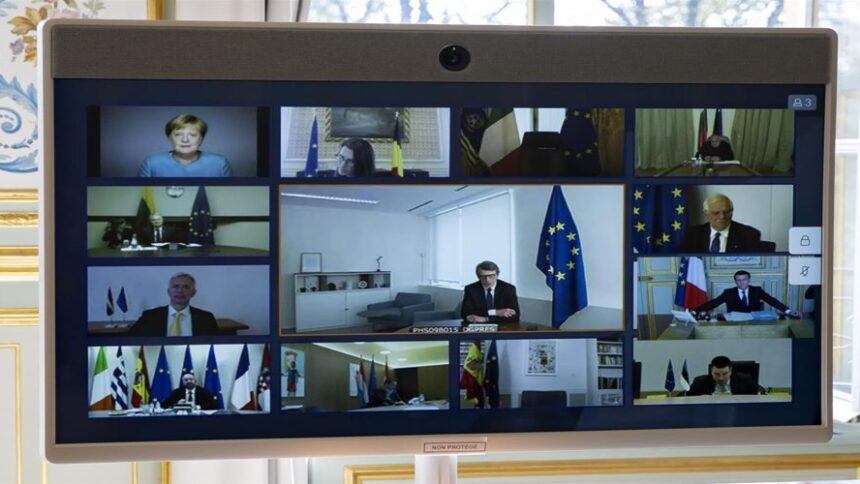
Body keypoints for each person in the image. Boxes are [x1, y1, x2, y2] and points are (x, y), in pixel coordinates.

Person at [138, 114, 233, 177]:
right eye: (178, 134)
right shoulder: (151, 163)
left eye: (192, 135)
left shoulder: (220, 163)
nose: (185, 140)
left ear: (201, 139)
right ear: (170, 138)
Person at [129, 272, 219, 336]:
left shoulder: (206, 318)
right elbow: (130, 340)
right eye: (176, 286)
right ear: (169, 291)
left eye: (186, 287)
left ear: (193, 293)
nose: (180, 290)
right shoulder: (149, 316)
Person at [693, 270, 799, 317]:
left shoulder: (757, 290)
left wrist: (788, 311)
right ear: (735, 281)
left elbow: (772, 301)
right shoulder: (728, 293)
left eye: (744, 279)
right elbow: (713, 303)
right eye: (738, 280)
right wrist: (695, 311)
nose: (742, 282)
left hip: (754, 322)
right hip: (734, 323)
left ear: (749, 280)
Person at [678, 193, 762, 253]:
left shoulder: (749, 234)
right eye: (716, 213)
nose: (722, 216)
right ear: (706, 214)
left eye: (727, 212)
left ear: (732, 211)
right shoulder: (692, 234)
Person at [688, 356, 758, 396]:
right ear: (711, 371)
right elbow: (687, 397)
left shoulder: (745, 380)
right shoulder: (699, 382)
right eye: (717, 374)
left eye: (725, 374)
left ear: (730, 371)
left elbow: (759, 393)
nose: (721, 378)